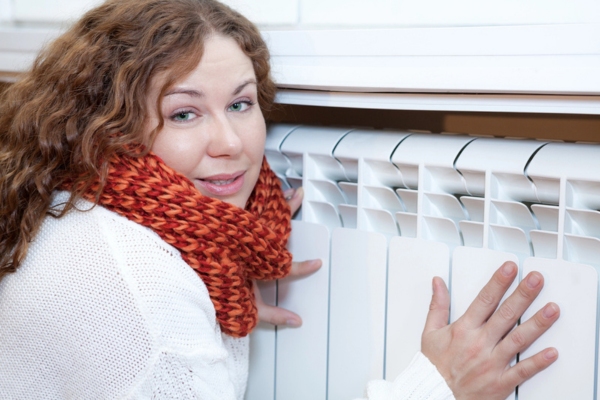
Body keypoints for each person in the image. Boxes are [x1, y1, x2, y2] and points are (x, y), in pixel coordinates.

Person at [0, 0, 559, 398]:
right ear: (107, 129)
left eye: (241, 104)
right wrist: (437, 387)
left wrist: (213, 269)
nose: (232, 143)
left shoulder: (60, 205)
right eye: (184, 113)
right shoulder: (149, 300)